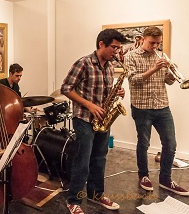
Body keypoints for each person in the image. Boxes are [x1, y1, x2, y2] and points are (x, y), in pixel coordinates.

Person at [61, 29, 126, 214]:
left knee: (100, 158)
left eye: (119, 48)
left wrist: (118, 92)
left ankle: (96, 194)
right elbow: (66, 88)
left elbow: (105, 92)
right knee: (83, 160)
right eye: (114, 47)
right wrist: (89, 105)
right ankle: (73, 200)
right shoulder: (84, 63)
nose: (117, 51)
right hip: (83, 118)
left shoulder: (111, 66)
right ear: (101, 44)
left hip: (103, 120)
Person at [124, 26, 189, 196]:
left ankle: (165, 179)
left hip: (162, 106)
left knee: (170, 144)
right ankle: (143, 175)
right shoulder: (131, 56)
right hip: (141, 107)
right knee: (143, 143)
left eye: (158, 43)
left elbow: (167, 82)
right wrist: (153, 68)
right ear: (143, 39)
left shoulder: (160, 56)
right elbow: (133, 79)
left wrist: (171, 71)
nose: (155, 46)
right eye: (152, 43)